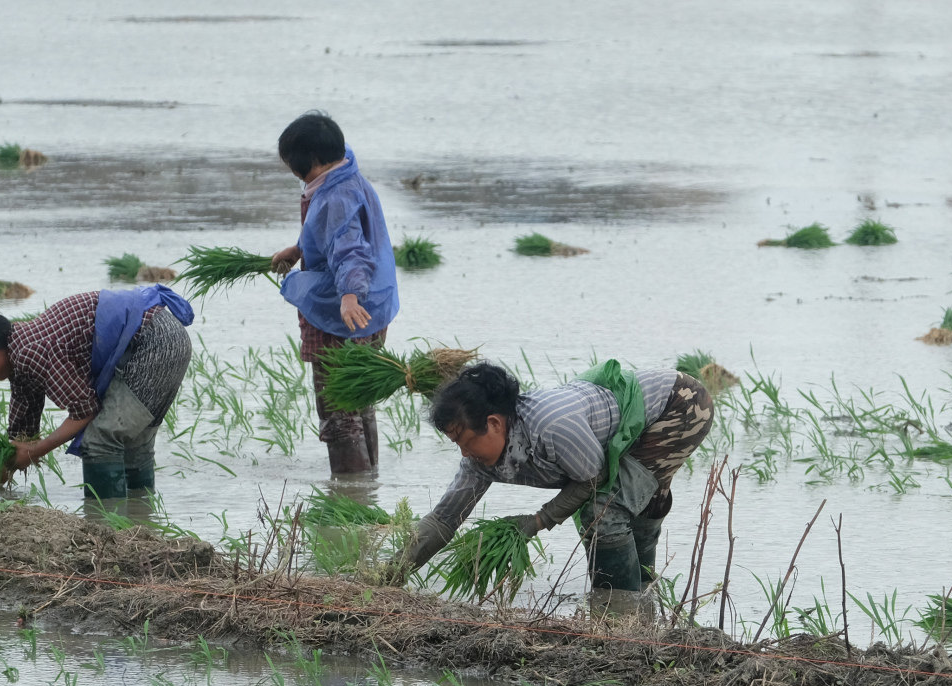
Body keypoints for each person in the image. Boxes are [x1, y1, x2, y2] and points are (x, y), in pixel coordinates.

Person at [400, 361, 715, 596]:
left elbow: (594, 477)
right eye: (457, 445)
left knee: (602, 513)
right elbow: (444, 518)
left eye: (466, 441)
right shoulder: (479, 460)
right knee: (634, 500)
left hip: (679, 405)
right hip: (637, 421)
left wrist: (538, 520)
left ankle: (620, 612)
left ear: (494, 423)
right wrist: (388, 575)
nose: (464, 454)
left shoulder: (551, 424)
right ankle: (644, 598)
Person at [0, 284, 194, 501]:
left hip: (155, 342)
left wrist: (35, 450)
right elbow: (22, 430)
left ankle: (107, 528)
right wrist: (1, 466)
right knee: (133, 440)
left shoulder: (30, 352)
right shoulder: (19, 357)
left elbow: (85, 410)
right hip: (165, 337)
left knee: (100, 441)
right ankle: (141, 521)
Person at [269, 111, 399, 476]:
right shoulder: (347, 172)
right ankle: (368, 483)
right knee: (360, 398)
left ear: (307, 163)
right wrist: (298, 249)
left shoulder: (335, 196)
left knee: (339, 411)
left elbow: (350, 250)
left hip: (344, 314)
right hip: (374, 307)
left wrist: (349, 296)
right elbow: (331, 232)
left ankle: (350, 493)